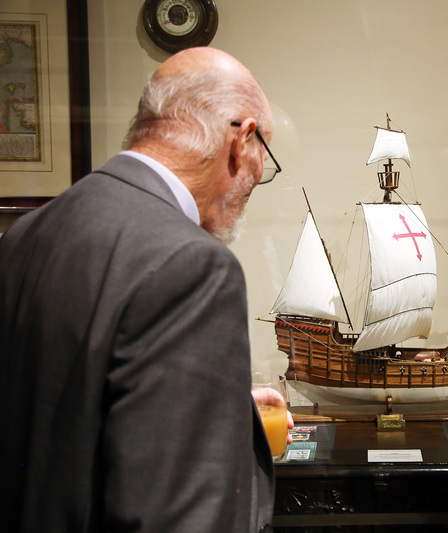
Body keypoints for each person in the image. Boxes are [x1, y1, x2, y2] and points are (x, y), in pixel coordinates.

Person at [0, 47, 289, 532]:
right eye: (265, 154)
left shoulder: (25, 236)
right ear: (241, 140)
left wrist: (215, 407)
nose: (259, 172)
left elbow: (64, 410)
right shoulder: (192, 265)